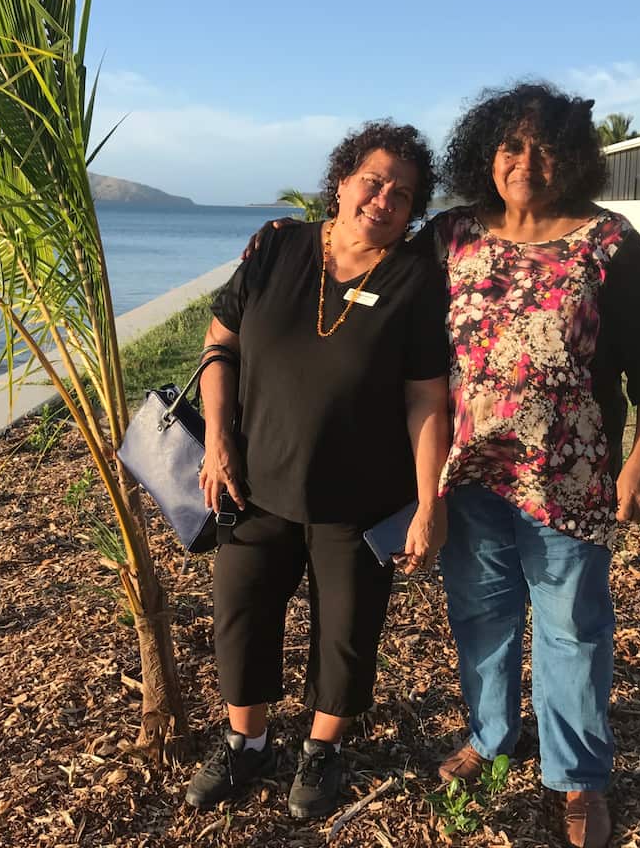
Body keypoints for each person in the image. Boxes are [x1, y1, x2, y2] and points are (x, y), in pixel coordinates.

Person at [432, 83, 640, 848]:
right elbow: (370, 283)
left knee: (573, 627)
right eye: (511, 145)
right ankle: (493, 734)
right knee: (482, 615)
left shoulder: (610, 243)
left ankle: (577, 776)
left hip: (570, 477)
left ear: (574, 159)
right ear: (486, 155)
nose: (526, 162)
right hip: (468, 471)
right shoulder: (449, 237)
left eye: (546, 147)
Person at [186, 121, 451, 820]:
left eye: (403, 192)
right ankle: (246, 743)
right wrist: (217, 442)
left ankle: (321, 751)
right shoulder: (277, 247)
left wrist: (429, 501)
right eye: (374, 180)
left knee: (349, 630)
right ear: (342, 181)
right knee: (240, 618)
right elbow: (220, 346)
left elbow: (427, 396)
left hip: (360, 498)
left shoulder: (415, 279)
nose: (385, 198)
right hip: (253, 484)